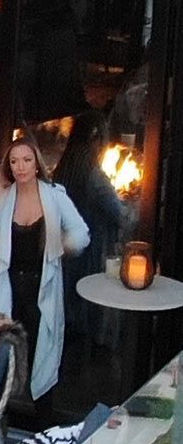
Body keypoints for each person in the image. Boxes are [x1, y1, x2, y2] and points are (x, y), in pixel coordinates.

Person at [0, 135, 89, 408]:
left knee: (41, 357)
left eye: (26, 160)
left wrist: (63, 244)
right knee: (3, 358)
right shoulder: (4, 199)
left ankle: (41, 421)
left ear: (36, 164)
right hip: (7, 289)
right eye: (14, 162)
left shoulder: (55, 196)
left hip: (40, 290)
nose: (20, 167)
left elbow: (81, 234)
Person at [54, 113, 134, 343]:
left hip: (67, 254)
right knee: (89, 310)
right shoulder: (95, 177)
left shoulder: (63, 171)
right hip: (93, 253)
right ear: (96, 142)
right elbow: (122, 216)